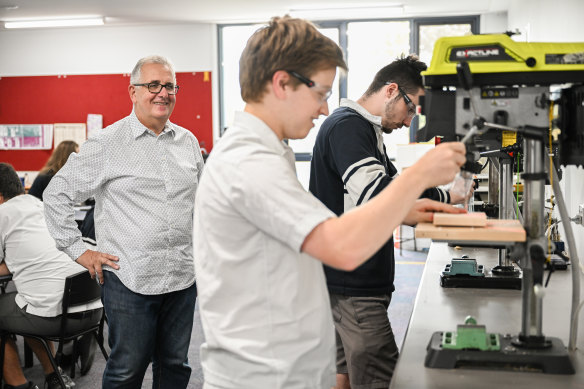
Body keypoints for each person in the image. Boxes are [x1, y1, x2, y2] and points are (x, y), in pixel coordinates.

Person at [193, 16, 466, 389]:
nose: (324, 109)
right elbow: (343, 248)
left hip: (285, 364)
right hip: (263, 375)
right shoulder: (249, 161)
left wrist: (411, 205)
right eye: (320, 93)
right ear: (282, 84)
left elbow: (327, 227)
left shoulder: (270, 154)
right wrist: (420, 176)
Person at [43, 55, 205, 389]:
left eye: (170, 85)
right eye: (153, 85)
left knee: (176, 366)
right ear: (133, 91)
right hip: (130, 279)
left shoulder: (188, 142)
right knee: (127, 369)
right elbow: (56, 194)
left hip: (182, 276)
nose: (163, 93)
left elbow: (201, 204)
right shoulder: (107, 143)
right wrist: (79, 251)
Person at [308, 55, 469, 389]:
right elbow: (379, 195)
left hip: (349, 277)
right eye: (411, 109)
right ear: (391, 90)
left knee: (347, 371)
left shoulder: (365, 128)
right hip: (352, 282)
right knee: (381, 378)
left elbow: (398, 186)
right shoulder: (347, 127)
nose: (410, 120)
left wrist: (449, 197)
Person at [0, 162, 102, 389]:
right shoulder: (41, 205)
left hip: (55, 317)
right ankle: (54, 376)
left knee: (19, 305)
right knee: (29, 297)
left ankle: (19, 385)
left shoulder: (2, 214)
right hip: (92, 309)